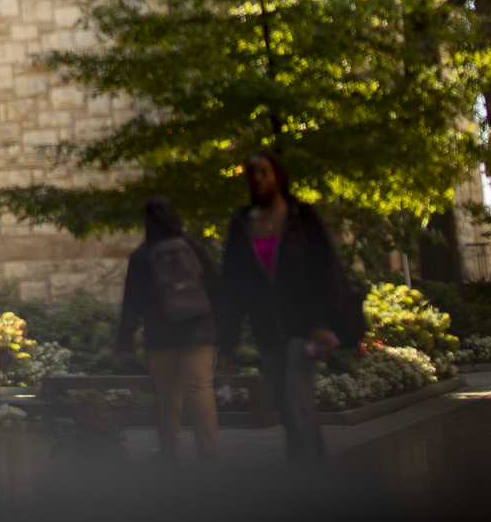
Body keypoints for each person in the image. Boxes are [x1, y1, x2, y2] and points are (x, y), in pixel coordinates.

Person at [215, 151, 360, 465]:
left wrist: (323, 322)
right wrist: (227, 342)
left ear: (277, 176)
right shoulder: (242, 225)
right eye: (252, 173)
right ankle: (310, 472)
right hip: (268, 328)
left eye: (264, 172)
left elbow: (325, 270)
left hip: (304, 326)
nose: (258, 178)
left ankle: (309, 479)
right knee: (287, 404)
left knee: (296, 400)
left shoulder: (302, 218)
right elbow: (232, 286)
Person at [114, 196, 220, 463]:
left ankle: (170, 452)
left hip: (161, 333)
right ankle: (209, 452)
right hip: (198, 330)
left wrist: (125, 341)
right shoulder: (192, 248)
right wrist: (222, 329)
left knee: (166, 395)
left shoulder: (142, 255)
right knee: (199, 389)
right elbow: (215, 287)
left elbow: (132, 302)